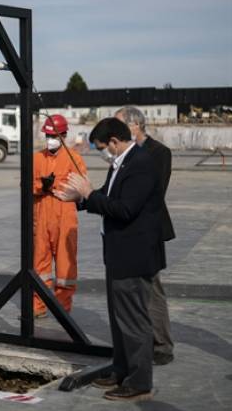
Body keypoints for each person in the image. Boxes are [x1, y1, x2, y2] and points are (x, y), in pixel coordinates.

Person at [55, 117, 165, 402]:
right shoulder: (121, 164)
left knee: (133, 321)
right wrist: (79, 200)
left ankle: (139, 381)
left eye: (103, 147)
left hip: (133, 255)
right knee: (119, 320)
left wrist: (88, 194)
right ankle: (120, 369)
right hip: (117, 253)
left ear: (115, 141)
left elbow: (125, 209)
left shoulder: (141, 164)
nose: (103, 152)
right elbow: (107, 195)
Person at [115, 106, 175, 366]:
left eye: (117, 125)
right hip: (126, 229)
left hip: (147, 230)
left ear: (134, 126)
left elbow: (150, 193)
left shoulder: (158, 153)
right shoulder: (124, 153)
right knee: (133, 291)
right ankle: (140, 342)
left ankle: (161, 345)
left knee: (151, 289)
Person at [33, 114, 87, 317]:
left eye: (53, 136)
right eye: (47, 136)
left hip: (65, 216)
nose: (50, 140)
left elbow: (82, 186)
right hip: (42, 214)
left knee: (65, 264)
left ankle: (63, 307)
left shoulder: (74, 158)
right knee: (40, 263)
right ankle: (38, 306)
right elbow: (26, 184)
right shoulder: (37, 158)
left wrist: (54, 185)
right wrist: (41, 186)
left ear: (63, 135)